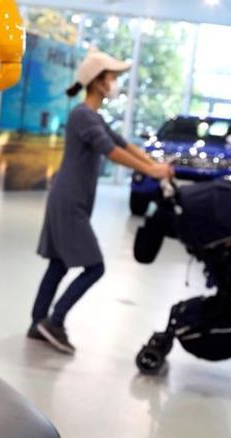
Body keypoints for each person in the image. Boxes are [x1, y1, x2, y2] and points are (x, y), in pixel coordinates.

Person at [30, 50, 175, 354]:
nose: (115, 83)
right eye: (112, 77)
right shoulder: (82, 115)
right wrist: (151, 171)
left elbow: (124, 144)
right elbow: (110, 150)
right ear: (97, 82)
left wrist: (154, 162)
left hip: (71, 198)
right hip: (69, 200)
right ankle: (54, 322)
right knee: (94, 268)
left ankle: (36, 324)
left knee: (58, 263)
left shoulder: (91, 115)